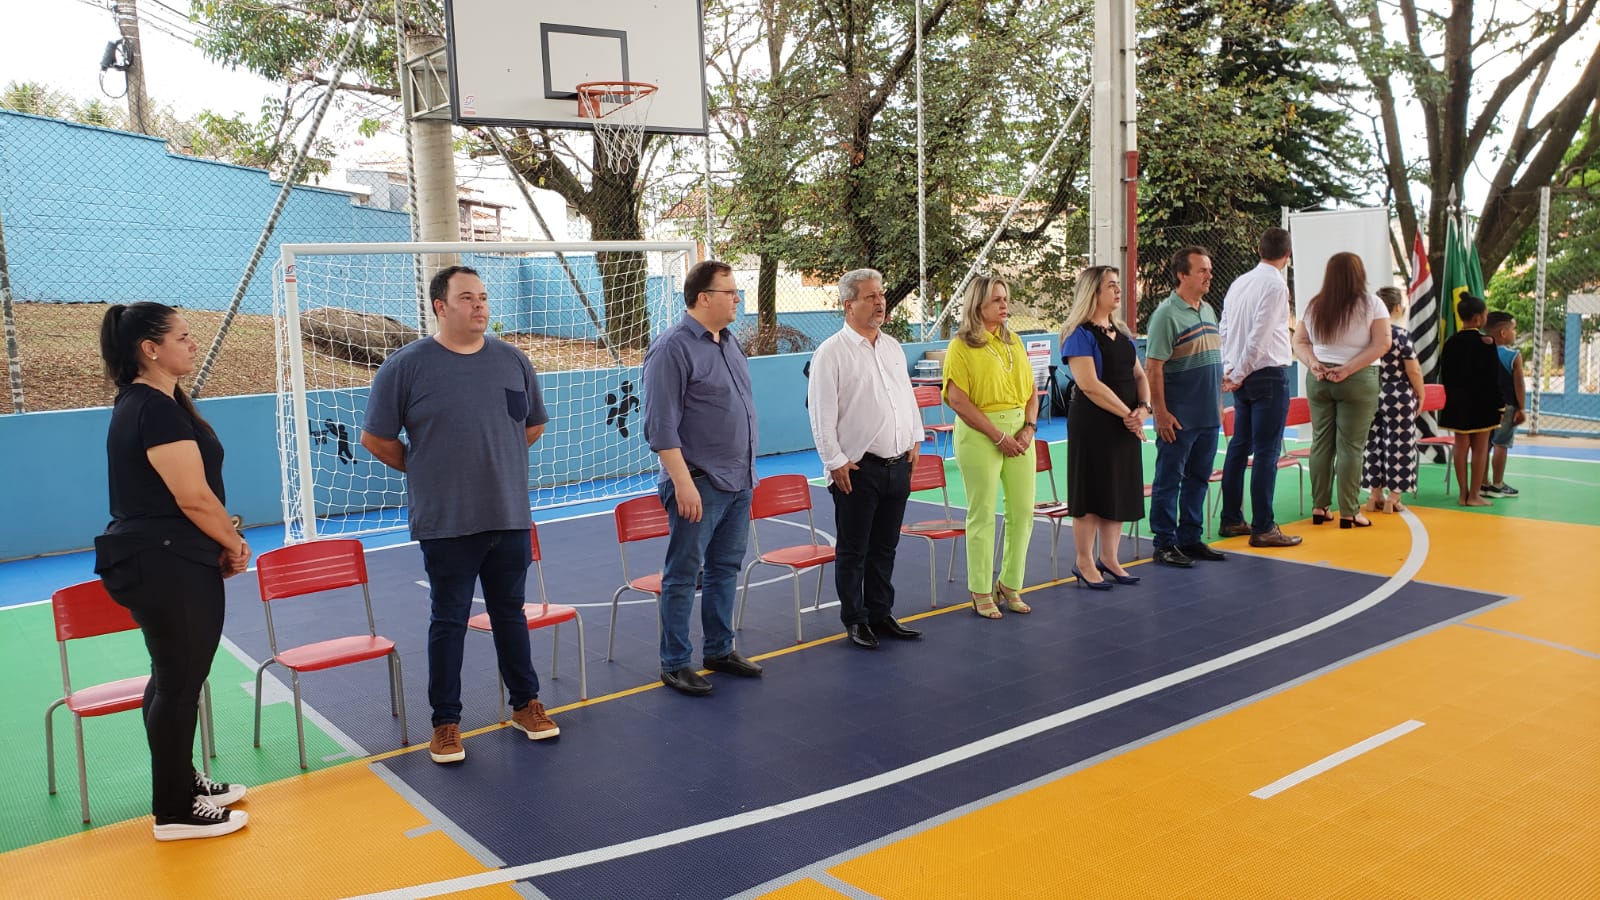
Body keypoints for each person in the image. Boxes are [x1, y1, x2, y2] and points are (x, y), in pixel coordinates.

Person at [362, 265, 560, 765]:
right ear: (440, 306)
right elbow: (376, 438)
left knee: (510, 614)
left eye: (484, 297)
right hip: (446, 522)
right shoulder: (406, 367)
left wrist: (497, 462)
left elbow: (531, 426)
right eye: (467, 297)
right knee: (448, 619)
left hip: (509, 515)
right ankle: (445, 724)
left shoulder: (512, 360)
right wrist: (426, 467)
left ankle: (526, 705)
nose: (479, 306)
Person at [93, 302, 251, 841]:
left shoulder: (151, 403)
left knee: (171, 678)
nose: (192, 343)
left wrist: (220, 541)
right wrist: (233, 542)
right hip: (165, 561)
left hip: (163, 558)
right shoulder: (153, 409)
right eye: (182, 336)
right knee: (179, 684)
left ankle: (180, 782)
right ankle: (176, 811)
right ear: (150, 349)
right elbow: (193, 497)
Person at [642, 260, 765, 695]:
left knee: (725, 568)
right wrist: (683, 483)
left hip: (738, 479)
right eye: (730, 292)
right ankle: (675, 662)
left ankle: (719, 649)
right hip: (699, 482)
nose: (737, 299)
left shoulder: (729, 343)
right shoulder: (671, 349)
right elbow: (659, 426)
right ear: (704, 298)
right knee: (683, 573)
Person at [807, 268, 924, 649]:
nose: (880, 302)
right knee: (854, 549)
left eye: (881, 295)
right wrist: (835, 460)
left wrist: (916, 438)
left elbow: (905, 397)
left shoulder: (892, 347)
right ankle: (855, 619)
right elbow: (821, 414)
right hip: (858, 468)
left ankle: (880, 612)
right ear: (848, 305)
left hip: (898, 464)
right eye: (870, 296)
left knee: (885, 547)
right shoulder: (831, 353)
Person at [943, 275, 1039, 618]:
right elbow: (958, 400)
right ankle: (981, 589)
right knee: (982, 512)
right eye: (997, 299)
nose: (1004, 305)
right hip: (980, 433)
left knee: (1023, 512)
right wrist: (998, 436)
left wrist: (1029, 428)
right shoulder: (961, 346)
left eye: (1005, 298)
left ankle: (1010, 583)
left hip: (1020, 431)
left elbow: (1031, 391)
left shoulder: (1015, 342)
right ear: (978, 304)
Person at [1058, 266, 1149, 588]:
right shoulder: (1078, 335)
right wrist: (1129, 415)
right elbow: (1090, 385)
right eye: (1111, 285)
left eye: (1117, 284)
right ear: (1093, 292)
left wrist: (1144, 409)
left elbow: (1140, 375)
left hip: (1124, 425)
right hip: (1093, 425)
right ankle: (1084, 561)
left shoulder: (1122, 332)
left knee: (1117, 489)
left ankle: (1109, 558)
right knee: (1091, 491)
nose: (1118, 290)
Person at [1291, 252, 1392, 528]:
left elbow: (1299, 341)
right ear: (1360, 274)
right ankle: (1349, 512)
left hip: (1319, 378)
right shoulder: (1372, 304)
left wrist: (1313, 363)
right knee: (1351, 446)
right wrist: (1348, 368)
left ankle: (1319, 507)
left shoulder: (1315, 305)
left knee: (1321, 442)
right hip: (1358, 379)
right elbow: (1382, 343)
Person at [1216, 228, 1303, 548]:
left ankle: (1231, 518)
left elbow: (1225, 329)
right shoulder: (1275, 285)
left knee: (1240, 446)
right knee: (1267, 451)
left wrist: (1230, 369)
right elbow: (1260, 335)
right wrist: (1239, 371)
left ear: (1258, 249)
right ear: (1288, 254)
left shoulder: (1240, 282)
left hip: (1242, 373)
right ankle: (1263, 526)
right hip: (1265, 374)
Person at [1145, 246, 1227, 567]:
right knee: (1169, 479)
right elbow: (1153, 367)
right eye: (1202, 270)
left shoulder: (1208, 310)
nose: (1209, 275)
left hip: (1207, 416)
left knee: (1199, 478)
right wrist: (1161, 413)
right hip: (1178, 419)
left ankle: (1190, 538)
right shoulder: (1166, 315)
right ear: (1182, 275)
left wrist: (1218, 405)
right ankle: (1164, 543)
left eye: (1210, 269)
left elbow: (1213, 364)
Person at [1361, 287, 1426, 514]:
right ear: (1397, 307)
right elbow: (1413, 370)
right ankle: (1394, 497)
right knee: (1400, 444)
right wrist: (1421, 393)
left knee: (1373, 444)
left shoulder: (1367, 335)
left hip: (1371, 392)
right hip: (1398, 394)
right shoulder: (1399, 334)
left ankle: (1374, 494)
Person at [1436, 294, 1504, 507]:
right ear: (1478, 318)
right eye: (1485, 315)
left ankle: (1462, 494)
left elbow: (1445, 374)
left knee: (1461, 445)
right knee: (1480, 448)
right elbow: (1494, 378)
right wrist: (1500, 405)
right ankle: (1475, 495)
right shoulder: (1487, 342)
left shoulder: (1450, 342)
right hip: (1483, 403)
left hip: (1457, 402)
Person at [1483, 311, 1526, 498]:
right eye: (1513, 329)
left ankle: (1482, 483)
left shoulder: (1479, 352)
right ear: (1503, 332)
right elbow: (1519, 384)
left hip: (1483, 406)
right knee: (1501, 444)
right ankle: (1497, 484)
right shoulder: (1513, 356)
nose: (1515, 333)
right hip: (1507, 406)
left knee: (1483, 445)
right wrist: (1521, 408)